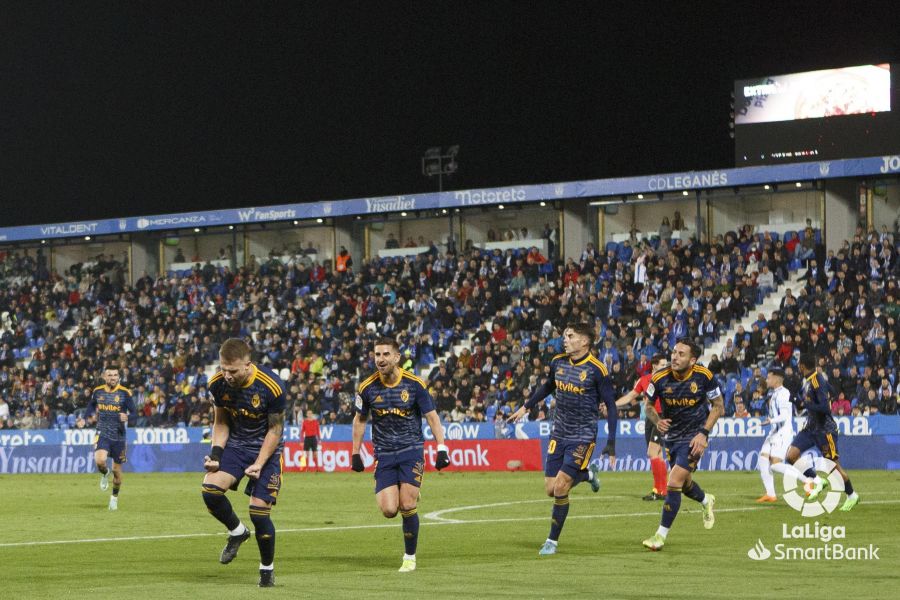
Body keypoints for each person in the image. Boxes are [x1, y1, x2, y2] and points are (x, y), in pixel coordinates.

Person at [508, 322, 617, 556]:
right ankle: (588, 475)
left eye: (570, 336)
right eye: (565, 336)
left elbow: (610, 405)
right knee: (550, 489)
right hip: (559, 433)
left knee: (560, 487)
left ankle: (552, 541)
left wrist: (611, 443)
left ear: (584, 341)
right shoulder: (558, 362)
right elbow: (548, 386)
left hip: (583, 436)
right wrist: (525, 407)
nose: (564, 340)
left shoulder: (597, 370)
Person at [351, 337, 451, 572]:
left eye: (386, 354)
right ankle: (408, 488)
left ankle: (409, 557)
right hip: (384, 453)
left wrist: (442, 448)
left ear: (397, 357)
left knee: (407, 504)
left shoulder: (414, 385)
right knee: (389, 510)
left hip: (411, 450)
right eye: (377, 354)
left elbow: (432, 417)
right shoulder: (366, 388)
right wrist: (355, 452)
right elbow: (360, 419)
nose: (380, 359)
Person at [202, 338, 287, 588]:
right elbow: (221, 422)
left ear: (247, 365)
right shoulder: (217, 384)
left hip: (267, 451)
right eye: (223, 369)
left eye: (233, 370)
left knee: (258, 512)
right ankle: (237, 531)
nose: (227, 375)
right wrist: (216, 455)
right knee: (210, 489)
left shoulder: (272, 386)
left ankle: (266, 570)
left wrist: (259, 463)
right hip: (237, 446)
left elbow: (275, 430)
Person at [642, 338, 724, 551]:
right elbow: (647, 406)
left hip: (695, 437)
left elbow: (718, 406)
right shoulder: (659, 378)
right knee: (685, 485)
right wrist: (657, 421)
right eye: (674, 352)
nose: (675, 357)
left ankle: (660, 536)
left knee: (674, 480)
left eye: (681, 354)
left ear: (692, 360)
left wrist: (704, 434)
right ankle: (706, 500)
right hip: (672, 437)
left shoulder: (704, 376)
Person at [769, 353, 860, 511]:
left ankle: (852, 495)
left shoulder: (817, 380)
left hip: (825, 430)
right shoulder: (811, 380)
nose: (798, 367)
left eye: (799, 364)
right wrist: (800, 402)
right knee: (791, 456)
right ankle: (818, 481)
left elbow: (825, 408)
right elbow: (832, 391)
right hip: (811, 428)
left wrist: (805, 404)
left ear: (802, 366)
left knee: (834, 468)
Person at [615, 353, 669, 501]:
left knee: (652, 452)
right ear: (654, 366)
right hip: (649, 418)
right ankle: (662, 491)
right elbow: (630, 396)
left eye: (666, 365)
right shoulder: (644, 380)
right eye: (663, 365)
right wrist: (613, 405)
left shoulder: (668, 380)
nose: (666, 367)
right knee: (657, 454)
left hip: (662, 417)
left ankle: (658, 491)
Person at [86, 368, 135, 511]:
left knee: (117, 473)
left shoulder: (125, 393)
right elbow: (91, 406)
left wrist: (128, 417)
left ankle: (114, 498)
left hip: (119, 436)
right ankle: (104, 473)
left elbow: (135, 413)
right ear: (104, 377)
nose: (113, 377)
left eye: (115, 375)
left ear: (118, 377)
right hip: (102, 432)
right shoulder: (98, 391)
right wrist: (86, 417)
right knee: (100, 461)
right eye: (110, 375)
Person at [756, 368, 794, 502]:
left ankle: (808, 480)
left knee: (775, 465)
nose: (767, 380)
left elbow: (784, 416)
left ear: (776, 379)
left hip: (782, 433)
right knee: (763, 458)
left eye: (769, 378)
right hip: (774, 432)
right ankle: (771, 494)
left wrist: (770, 421)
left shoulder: (784, 393)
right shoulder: (774, 393)